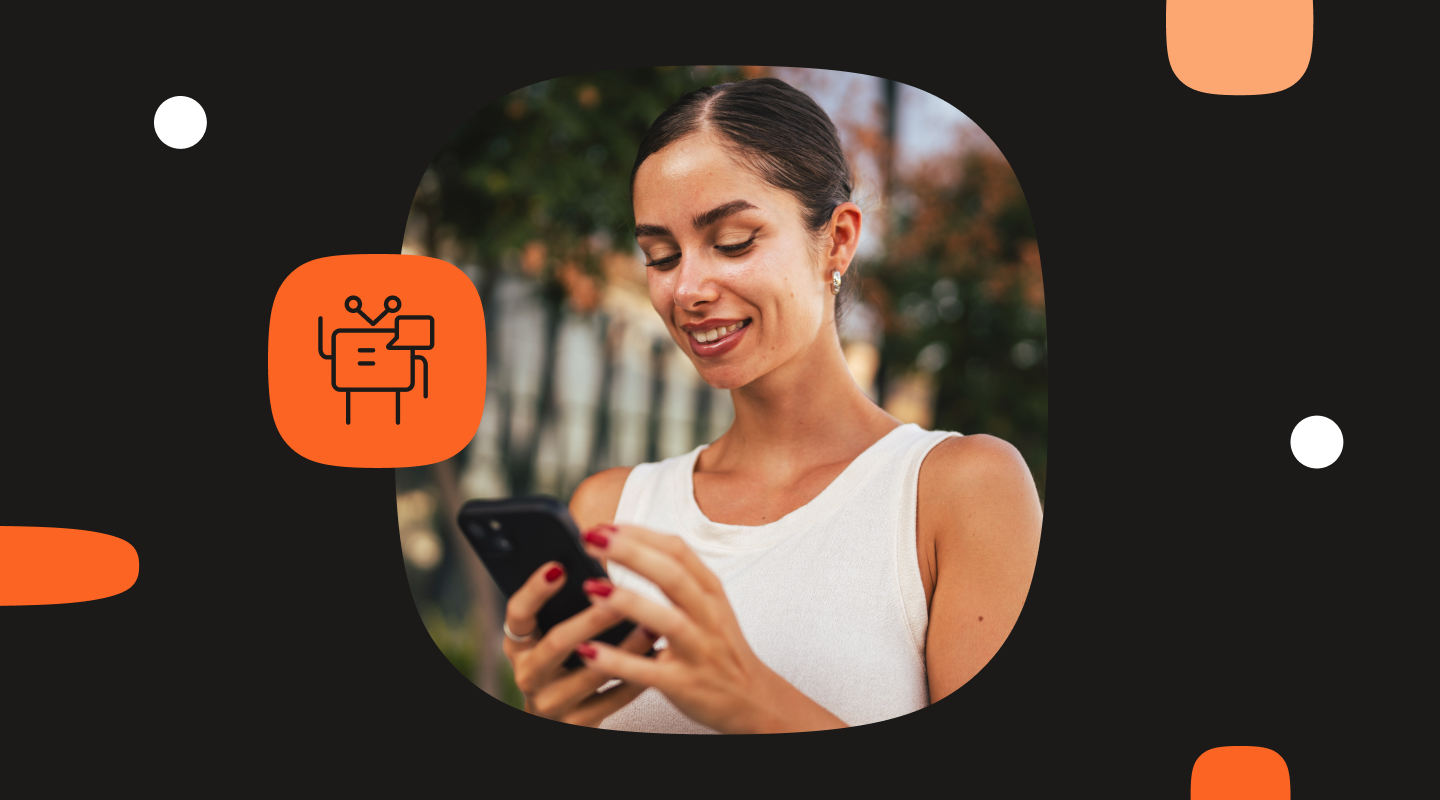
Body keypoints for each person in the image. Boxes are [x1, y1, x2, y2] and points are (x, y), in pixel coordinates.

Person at [497, 77, 1043, 733]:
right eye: (660, 255)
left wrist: (751, 699)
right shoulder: (611, 511)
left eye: (733, 241)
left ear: (838, 240)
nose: (687, 289)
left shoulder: (958, 490)